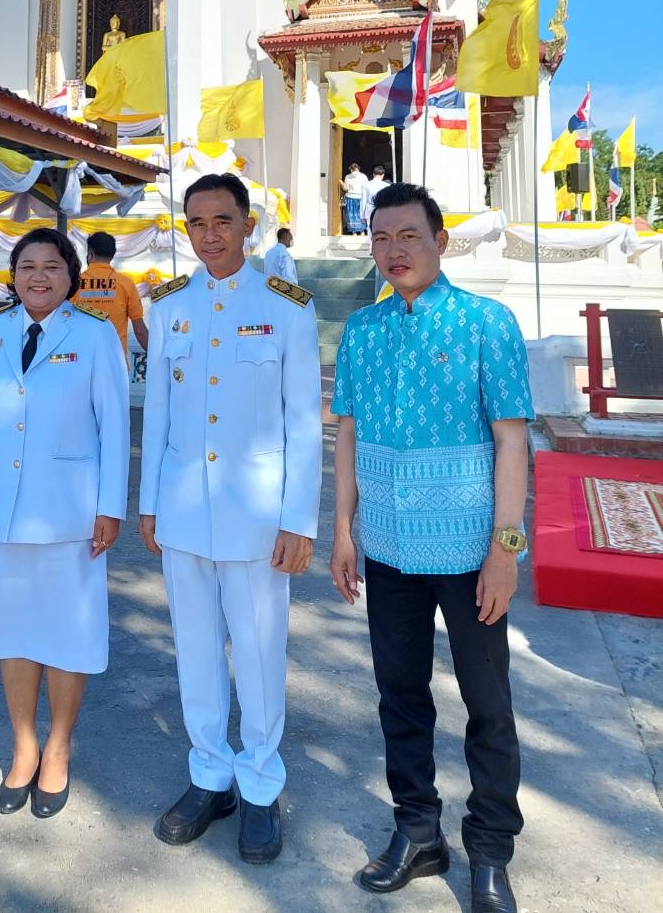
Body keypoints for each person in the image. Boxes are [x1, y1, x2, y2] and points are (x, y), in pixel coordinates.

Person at [330, 182, 533, 913]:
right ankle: (418, 830)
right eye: (381, 237)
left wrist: (505, 549)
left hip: (471, 550)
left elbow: (512, 439)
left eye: (408, 235)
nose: (394, 250)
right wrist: (343, 530)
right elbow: (347, 430)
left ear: (440, 240)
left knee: (488, 703)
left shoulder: (488, 323)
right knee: (401, 697)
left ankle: (489, 849)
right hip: (386, 548)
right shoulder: (362, 330)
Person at [140, 172, 322, 865]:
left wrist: (298, 519)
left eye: (222, 220)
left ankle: (260, 783)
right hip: (184, 510)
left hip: (256, 513)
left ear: (249, 225)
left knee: (257, 651)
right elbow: (156, 411)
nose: (209, 234)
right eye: (196, 223)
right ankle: (210, 772)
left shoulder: (286, 307)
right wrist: (150, 503)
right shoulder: (169, 306)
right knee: (194, 649)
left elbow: (304, 422)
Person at [0, 229, 130, 820]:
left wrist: (110, 506)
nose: (39, 277)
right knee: (13, 632)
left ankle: (59, 747)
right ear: (13, 275)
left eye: (52, 267)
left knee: (68, 634)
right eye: (27, 266)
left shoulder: (97, 336)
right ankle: (24, 744)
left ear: (71, 276)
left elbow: (114, 428)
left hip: (71, 514)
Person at [78, 230, 148, 360]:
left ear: (90, 254)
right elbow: (140, 330)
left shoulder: (73, 284)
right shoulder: (125, 284)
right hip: (115, 360)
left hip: (81, 358)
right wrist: (157, 356)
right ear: (112, 255)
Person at [360, 164, 390, 229]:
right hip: (382, 210)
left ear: (373, 174)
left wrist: (362, 215)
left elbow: (363, 201)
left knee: (370, 230)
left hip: (369, 210)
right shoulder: (387, 186)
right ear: (383, 175)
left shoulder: (366, 185)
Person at [342, 162, 369, 234]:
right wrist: (342, 184)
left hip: (360, 197)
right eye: (352, 170)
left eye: (355, 170)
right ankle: (354, 232)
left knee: (360, 214)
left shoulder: (363, 176)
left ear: (358, 170)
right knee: (351, 215)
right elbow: (346, 188)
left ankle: (362, 231)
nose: (353, 172)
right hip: (350, 197)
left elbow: (366, 188)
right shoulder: (348, 176)